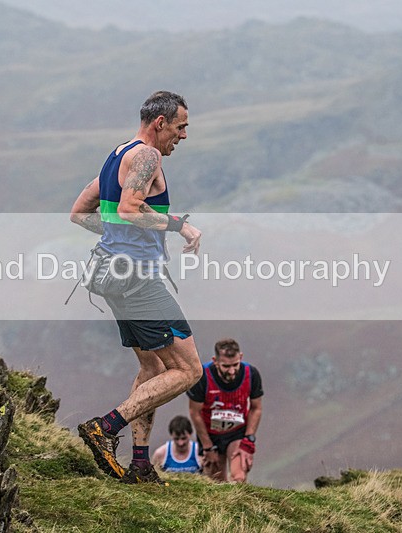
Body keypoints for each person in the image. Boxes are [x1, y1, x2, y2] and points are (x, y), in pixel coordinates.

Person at [70, 91, 203, 484]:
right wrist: (181, 225)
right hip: (137, 278)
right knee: (188, 369)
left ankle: (141, 464)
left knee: (153, 366)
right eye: (180, 127)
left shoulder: (117, 155)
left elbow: (79, 214)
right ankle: (106, 428)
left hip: (110, 274)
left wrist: (114, 232)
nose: (182, 136)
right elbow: (129, 208)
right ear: (160, 123)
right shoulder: (147, 156)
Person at [187, 338, 263, 483]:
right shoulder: (202, 376)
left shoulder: (251, 374)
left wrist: (249, 439)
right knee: (216, 483)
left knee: (239, 477)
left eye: (235, 364)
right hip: (210, 435)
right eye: (226, 366)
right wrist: (207, 447)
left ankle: (240, 504)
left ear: (240, 357)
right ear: (215, 361)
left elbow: (256, 408)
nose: (232, 371)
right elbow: (194, 413)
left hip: (237, 432)